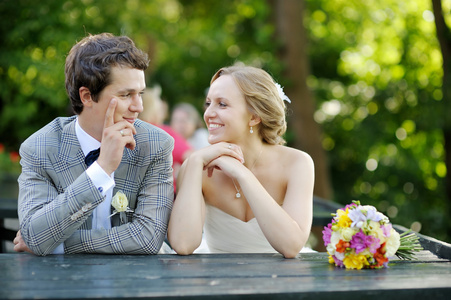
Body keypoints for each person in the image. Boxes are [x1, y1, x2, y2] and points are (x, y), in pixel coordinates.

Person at [13, 33, 174, 256]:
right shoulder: (40, 148)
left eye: (141, 94)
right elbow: (34, 233)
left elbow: (147, 238)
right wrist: (101, 170)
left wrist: (60, 243)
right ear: (87, 96)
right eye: (127, 95)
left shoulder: (156, 144)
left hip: (137, 283)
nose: (138, 106)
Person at [167, 65, 315, 258]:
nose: (208, 114)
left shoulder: (298, 163)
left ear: (254, 116)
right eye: (208, 103)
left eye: (222, 104)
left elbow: (291, 246)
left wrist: (242, 173)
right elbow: (183, 245)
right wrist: (194, 161)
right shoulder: (198, 165)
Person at [139, 86, 192, 180]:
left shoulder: (132, 130)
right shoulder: (162, 133)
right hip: (166, 191)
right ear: (153, 109)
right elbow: (192, 157)